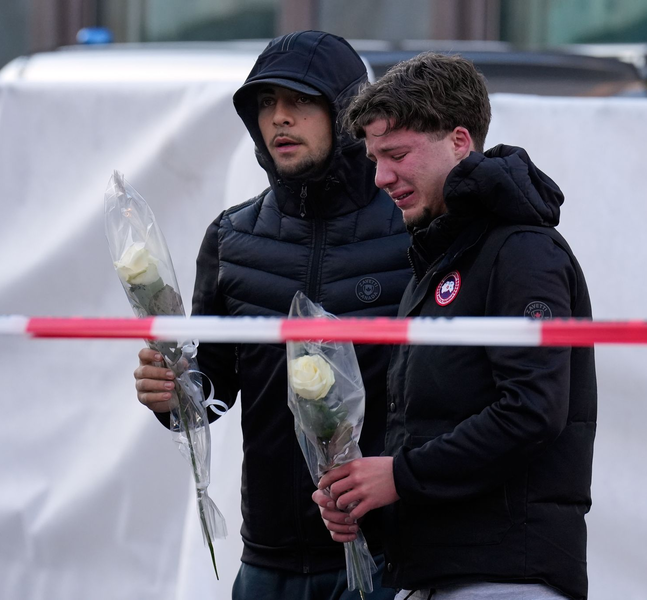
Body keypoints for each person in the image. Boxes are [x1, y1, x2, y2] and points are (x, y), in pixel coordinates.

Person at [133, 31, 413, 600]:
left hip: (389, 555)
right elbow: (212, 391)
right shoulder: (231, 238)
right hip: (267, 561)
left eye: (301, 101)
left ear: (346, 110)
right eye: (266, 104)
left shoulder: (411, 232)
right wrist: (171, 393)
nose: (280, 118)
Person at [314, 53, 597, 600]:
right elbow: (431, 423)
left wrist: (397, 477)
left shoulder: (522, 250)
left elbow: (533, 409)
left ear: (460, 141)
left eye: (396, 154)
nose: (380, 178)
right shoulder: (441, 259)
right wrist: (364, 492)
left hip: (506, 577)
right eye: (373, 159)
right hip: (435, 574)